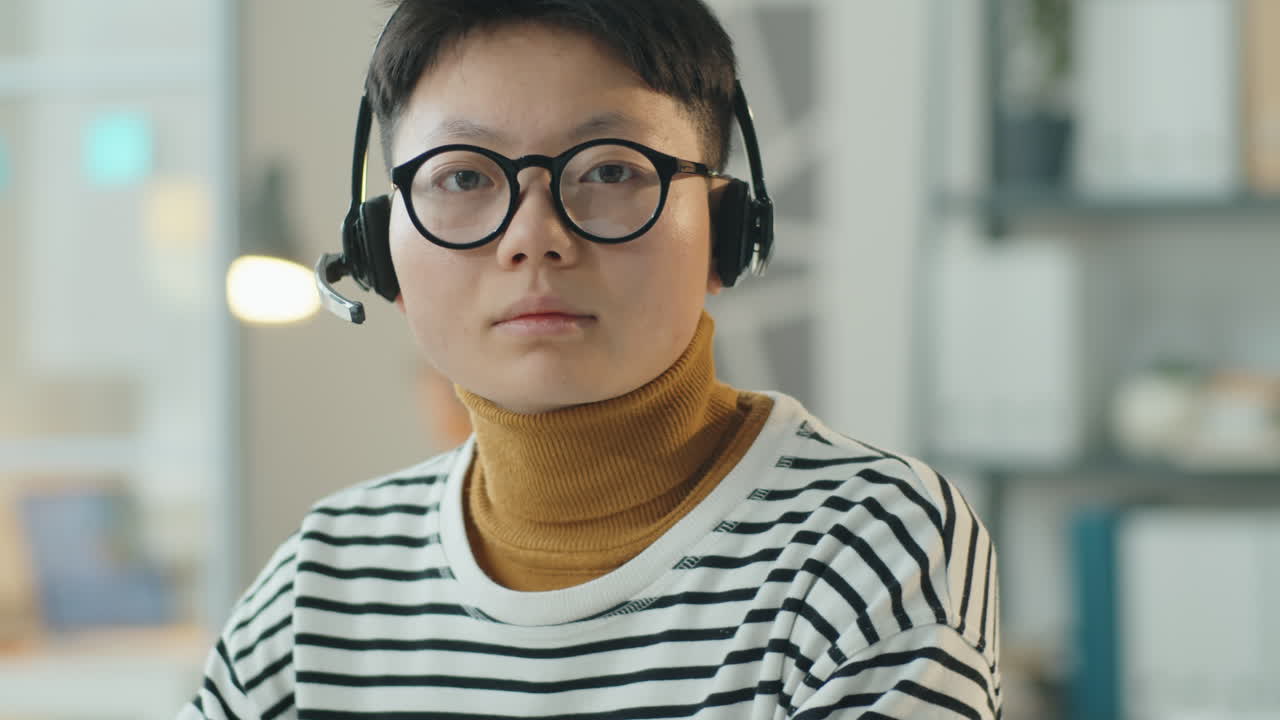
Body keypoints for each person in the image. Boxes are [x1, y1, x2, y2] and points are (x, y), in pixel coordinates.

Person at [181, 1, 1001, 717]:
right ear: (378, 247)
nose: (533, 236)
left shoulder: (867, 545)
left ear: (728, 230)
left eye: (609, 170)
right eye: (463, 178)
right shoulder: (320, 584)